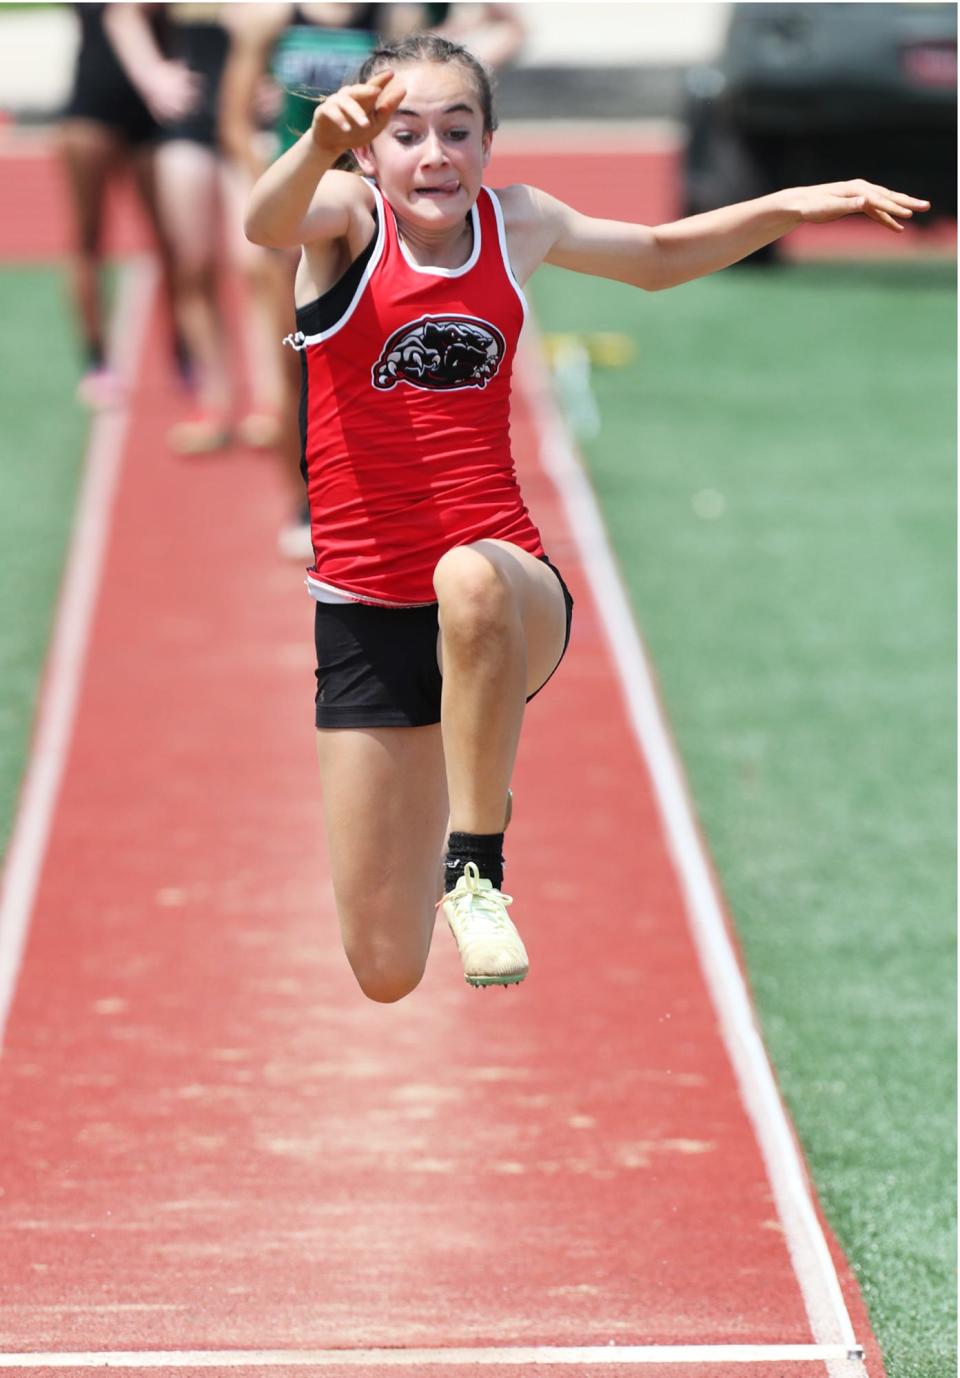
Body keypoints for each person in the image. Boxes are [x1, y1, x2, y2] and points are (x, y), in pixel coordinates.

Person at [244, 34, 928, 1003]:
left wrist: (789, 203)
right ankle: (473, 773)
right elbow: (263, 222)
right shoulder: (344, 221)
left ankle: (476, 867)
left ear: (489, 140)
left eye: (457, 129)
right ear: (369, 153)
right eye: (405, 135)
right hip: (366, 610)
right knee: (387, 971)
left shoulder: (515, 223)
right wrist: (314, 144)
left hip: (509, 589)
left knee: (468, 577)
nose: (434, 153)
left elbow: (653, 257)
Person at [105, 3, 287, 454]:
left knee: (255, 265)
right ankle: (214, 399)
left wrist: (287, 87)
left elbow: (309, 27)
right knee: (193, 265)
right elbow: (122, 14)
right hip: (189, 121)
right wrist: (153, 77)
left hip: (249, 123)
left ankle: (271, 398)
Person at [58, 2, 195, 408]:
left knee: (172, 240)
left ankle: (183, 351)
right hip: (90, 108)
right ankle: (96, 360)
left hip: (153, 116)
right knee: (87, 239)